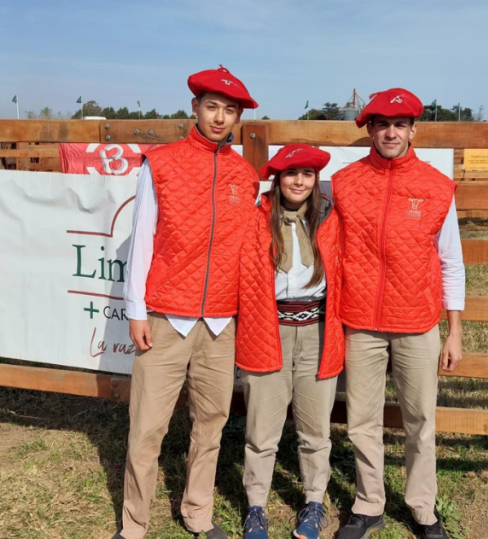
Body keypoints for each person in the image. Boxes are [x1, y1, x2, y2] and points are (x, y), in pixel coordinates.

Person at [117, 65, 260, 539]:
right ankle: (134, 524)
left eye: (230, 110)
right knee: (147, 428)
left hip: (221, 323)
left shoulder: (245, 174)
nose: (220, 117)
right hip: (165, 317)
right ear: (195, 108)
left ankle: (197, 512)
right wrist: (136, 308)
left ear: (238, 117)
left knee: (212, 424)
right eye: (212, 107)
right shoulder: (160, 163)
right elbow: (142, 239)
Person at [331, 88, 466, 539]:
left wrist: (455, 330)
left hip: (417, 322)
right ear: (370, 128)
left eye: (400, 124)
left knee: (421, 420)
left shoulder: (435, 186)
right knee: (361, 420)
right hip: (361, 321)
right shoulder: (347, 182)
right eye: (382, 124)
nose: (391, 132)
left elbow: (451, 260)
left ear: (412, 130)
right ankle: (369, 504)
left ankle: (422, 507)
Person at [235, 144, 344, 539]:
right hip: (268, 328)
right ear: (277, 178)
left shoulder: (330, 220)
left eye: (307, 174)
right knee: (262, 428)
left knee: (315, 428)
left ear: (316, 181)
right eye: (290, 173)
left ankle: (315, 501)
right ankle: (256, 506)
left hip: (316, 329)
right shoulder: (254, 219)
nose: (299, 181)